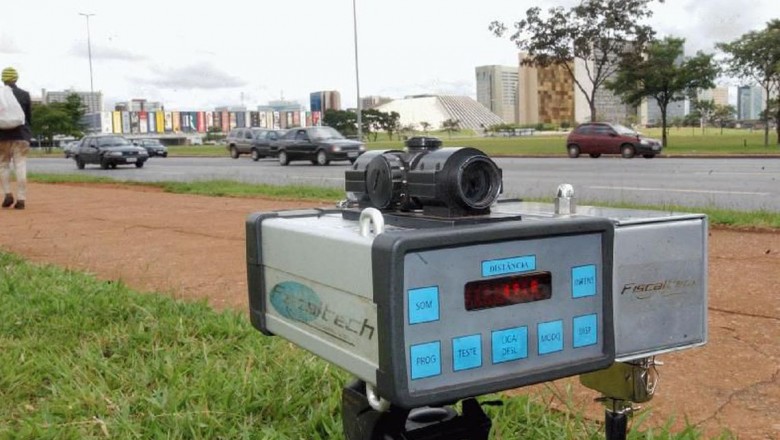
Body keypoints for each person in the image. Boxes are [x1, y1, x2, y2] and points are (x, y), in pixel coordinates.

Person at [0, 66, 31, 209]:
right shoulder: (24, 95)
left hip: (2, 137)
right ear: (16, 78)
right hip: (21, 136)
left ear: (3, 79)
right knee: (20, 165)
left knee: (3, 166)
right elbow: (28, 118)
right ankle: (21, 199)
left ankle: (7, 195)